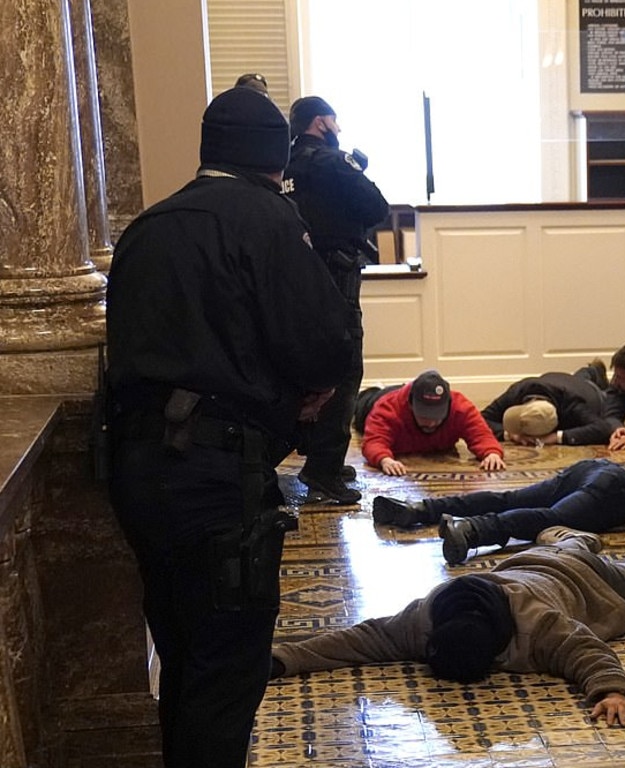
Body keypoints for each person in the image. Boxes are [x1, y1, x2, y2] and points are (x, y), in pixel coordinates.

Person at [105, 87, 353, 768]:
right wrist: (293, 403)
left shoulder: (148, 226)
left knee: (181, 654)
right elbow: (324, 345)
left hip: (134, 471)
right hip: (218, 475)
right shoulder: (269, 220)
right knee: (226, 668)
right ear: (277, 157)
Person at [270, 527, 625, 726]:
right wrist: (281, 659)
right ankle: (566, 536)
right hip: (530, 562)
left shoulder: (538, 625)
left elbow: (588, 652)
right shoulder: (425, 616)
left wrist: (611, 691)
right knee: (568, 544)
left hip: (590, 582)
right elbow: (360, 639)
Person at [283, 95, 391, 504]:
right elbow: (376, 206)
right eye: (334, 121)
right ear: (320, 123)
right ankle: (323, 470)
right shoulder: (332, 162)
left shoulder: (286, 166)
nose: (339, 129)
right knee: (344, 368)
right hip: (337, 276)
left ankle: (315, 454)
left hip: (294, 280)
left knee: (303, 367)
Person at [373, 440, 625, 565]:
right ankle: (473, 531)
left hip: (600, 469)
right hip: (622, 491)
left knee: (511, 497)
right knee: (550, 519)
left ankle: (418, 510)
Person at [362, 369, 505, 476]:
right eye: (424, 416)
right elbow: (374, 441)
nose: (431, 423)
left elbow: (481, 434)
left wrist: (491, 453)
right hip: (372, 401)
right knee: (363, 401)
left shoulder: (460, 407)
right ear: (410, 405)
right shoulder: (387, 408)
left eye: (437, 416)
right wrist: (384, 459)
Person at [480, 367, 611, 446]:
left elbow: (603, 429)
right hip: (555, 379)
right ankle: (589, 370)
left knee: (608, 393)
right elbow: (480, 419)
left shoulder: (572, 405)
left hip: (589, 391)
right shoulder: (518, 392)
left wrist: (557, 437)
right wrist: (511, 435)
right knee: (581, 375)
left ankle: (594, 373)